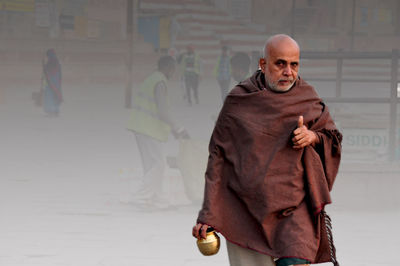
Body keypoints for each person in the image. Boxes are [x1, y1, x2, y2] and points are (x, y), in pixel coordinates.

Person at [192, 34, 342, 266]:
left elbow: (332, 138)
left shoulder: (307, 97)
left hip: (294, 208)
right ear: (263, 64)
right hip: (246, 209)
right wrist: (208, 214)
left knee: (295, 258)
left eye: (294, 65)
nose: (288, 72)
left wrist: (312, 137)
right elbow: (218, 157)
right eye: (280, 63)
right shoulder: (239, 101)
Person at [126, 56, 189, 209]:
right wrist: (178, 128)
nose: (173, 72)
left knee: (151, 164)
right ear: (168, 68)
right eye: (173, 69)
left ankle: (156, 196)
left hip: (141, 126)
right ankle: (141, 196)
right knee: (158, 164)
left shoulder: (152, 78)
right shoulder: (160, 82)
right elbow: (162, 111)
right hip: (148, 128)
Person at [42, 48, 62, 116]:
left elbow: (46, 72)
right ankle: (56, 110)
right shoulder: (58, 61)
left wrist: (43, 64)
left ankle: (50, 111)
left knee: (49, 95)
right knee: (56, 94)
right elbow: (60, 73)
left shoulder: (49, 62)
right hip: (57, 82)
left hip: (50, 82)